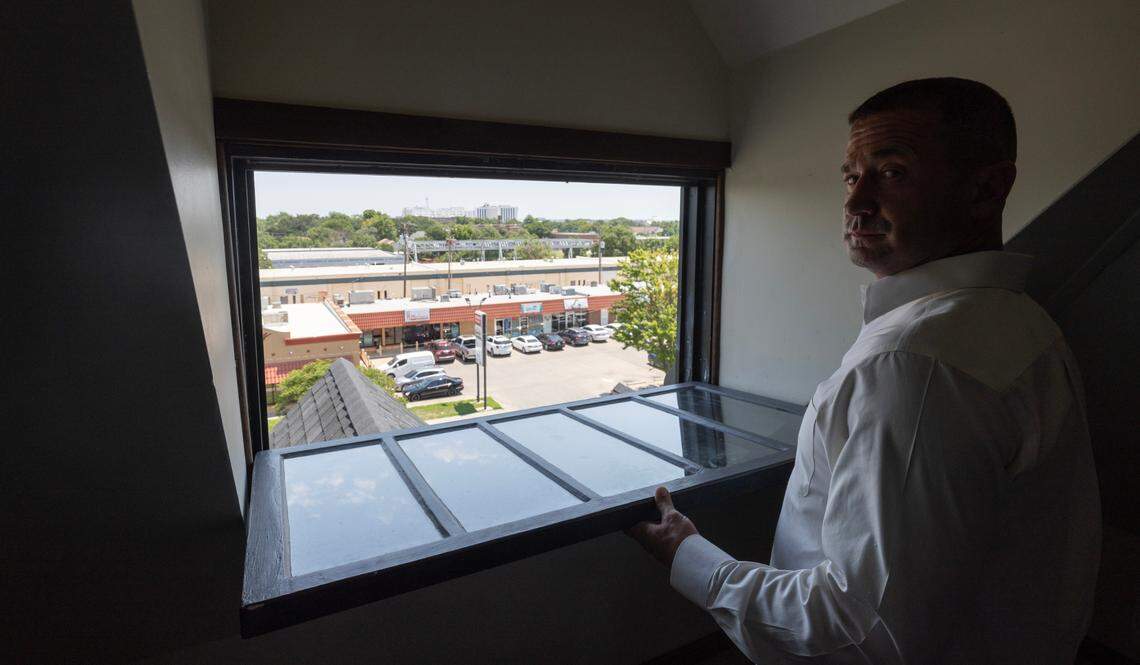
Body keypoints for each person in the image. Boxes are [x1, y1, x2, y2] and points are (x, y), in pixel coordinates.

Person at [629, 78, 1101, 664]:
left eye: (893, 172)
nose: (855, 204)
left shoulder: (917, 363)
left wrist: (691, 560)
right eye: (852, 176)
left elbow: (864, 631)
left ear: (986, 187)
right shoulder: (1017, 321)